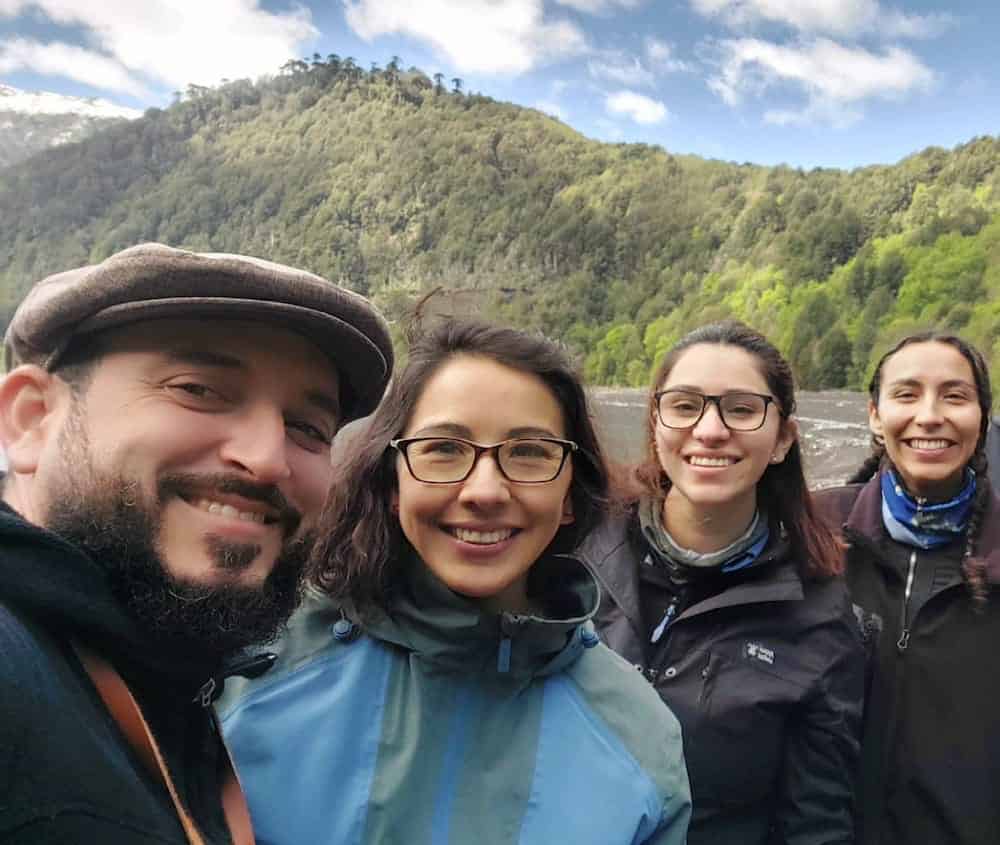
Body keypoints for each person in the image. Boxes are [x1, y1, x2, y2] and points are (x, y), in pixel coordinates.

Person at [218, 320, 692, 845]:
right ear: (392, 484)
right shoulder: (251, 671)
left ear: (569, 498)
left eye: (529, 453)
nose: (484, 491)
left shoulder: (639, 736)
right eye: (444, 448)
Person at [0, 243, 393, 844]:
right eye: (199, 390)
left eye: (308, 428)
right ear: (31, 420)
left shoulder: (163, 673)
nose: (266, 460)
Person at [581, 320, 864, 845]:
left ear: (782, 439)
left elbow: (816, 825)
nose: (709, 430)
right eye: (686, 405)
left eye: (740, 408)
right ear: (656, 424)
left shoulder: (820, 617)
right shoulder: (578, 551)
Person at [815, 331, 1000, 845]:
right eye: (906, 394)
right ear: (875, 415)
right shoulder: (813, 531)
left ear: (983, 419)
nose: (930, 415)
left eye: (955, 396)